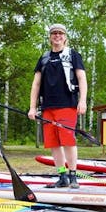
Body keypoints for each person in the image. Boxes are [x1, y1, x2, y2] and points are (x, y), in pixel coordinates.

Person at [28, 24, 87, 189]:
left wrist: (82, 100)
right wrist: (32, 107)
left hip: (67, 105)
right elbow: (36, 84)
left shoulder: (73, 55)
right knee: (53, 144)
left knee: (68, 141)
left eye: (60, 33)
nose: (57, 36)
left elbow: (81, 78)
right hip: (47, 107)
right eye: (54, 33)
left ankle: (73, 175)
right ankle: (62, 176)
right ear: (50, 37)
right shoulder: (44, 58)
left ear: (65, 37)